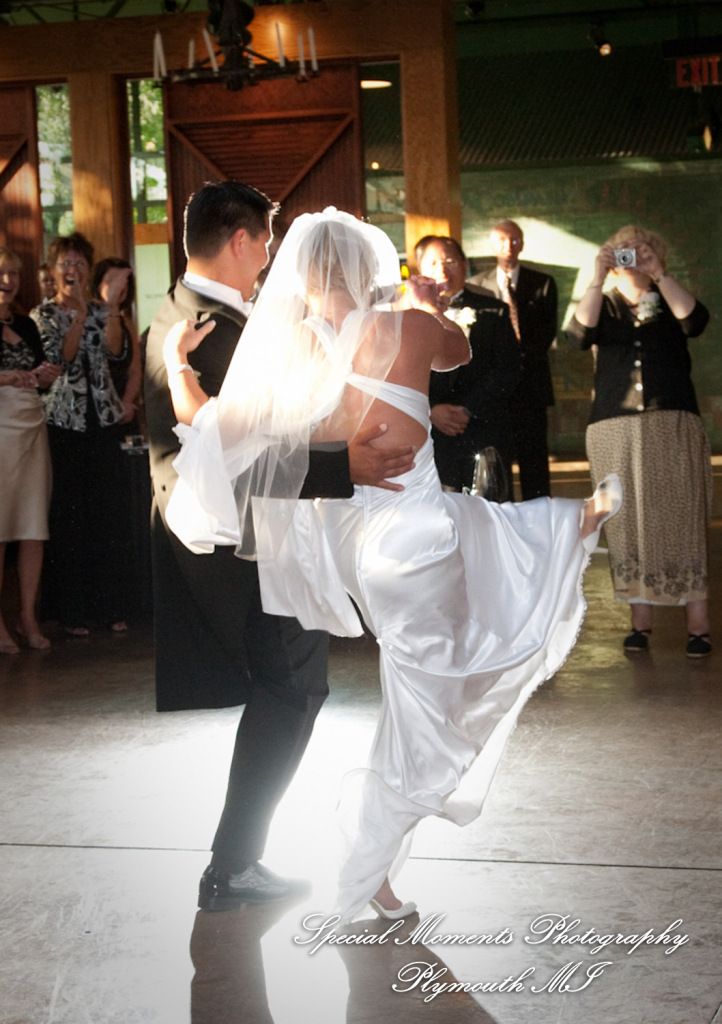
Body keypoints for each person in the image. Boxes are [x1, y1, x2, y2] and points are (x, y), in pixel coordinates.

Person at [162, 207, 620, 922]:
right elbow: (459, 354)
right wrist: (425, 309)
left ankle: (568, 526)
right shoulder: (407, 328)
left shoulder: (293, 352)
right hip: (415, 543)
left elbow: (207, 423)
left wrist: (175, 363)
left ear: (303, 276)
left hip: (358, 556)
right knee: (431, 700)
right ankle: (366, 862)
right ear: (369, 267)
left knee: (459, 583)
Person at [144, 182, 416, 912]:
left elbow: (224, 425)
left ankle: (240, 862)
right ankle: (234, 866)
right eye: (264, 241)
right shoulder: (243, 329)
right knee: (292, 689)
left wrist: (180, 371)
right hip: (259, 538)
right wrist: (345, 464)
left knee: (295, 689)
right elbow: (239, 440)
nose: (269, 258)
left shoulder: (236, 323)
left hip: (279, 529)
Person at [567, 225, 712, 658]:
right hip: (613, 423)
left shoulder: (668, 296)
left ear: (655, 251)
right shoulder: (603, 300)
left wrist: (659, 273)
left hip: (671, 419)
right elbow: (577, 336)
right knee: (625, 521)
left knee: (682, 515)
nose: (630, 254)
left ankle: (698, 626)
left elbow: (695, 322)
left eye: (639, 248)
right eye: (622, 249)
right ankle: (640, 624)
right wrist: (597, 278)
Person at [31, 232, 131, 636]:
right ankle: (72, 612)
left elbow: (117, 352)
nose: (73, 270)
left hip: (102, 419)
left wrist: (111, 308)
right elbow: (62, 356)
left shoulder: (101, 309)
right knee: (71, 517)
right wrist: (76, 316)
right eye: (65, 264)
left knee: (107, 515)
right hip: (63, 424)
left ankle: (110, 607)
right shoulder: (42, 314)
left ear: (89, 270)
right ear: (54, 271)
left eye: (79, 264)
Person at [415, 234, 520, 499]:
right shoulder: (408, 317)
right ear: (420, 270)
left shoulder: (494, 311)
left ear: (465, 265)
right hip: (430, 435)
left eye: (450, 261)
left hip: (483, 429)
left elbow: (507, 370)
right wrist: (431, 410)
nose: (442, 269)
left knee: (490, 508)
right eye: (433, 263)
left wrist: (468, 408)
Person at [0, 248, 61, 653]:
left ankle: (27, 616)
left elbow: (41, 374)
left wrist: (45, 375)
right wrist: (6, 377)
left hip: (31, 426)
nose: (8, 281)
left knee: (32, 525)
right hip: (0, 428)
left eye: (13, 274)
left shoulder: (25, 323)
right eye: (1, 273)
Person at [471, 219, 557, 500]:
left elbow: (546, 334)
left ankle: (540, 517)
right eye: (502, 240)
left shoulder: (542, 283)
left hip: (531, 385)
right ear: (492, 245)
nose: (509, 246)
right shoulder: (477, 285)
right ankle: (502, 518)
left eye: (515, 240)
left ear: (522, 244)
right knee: (497, 463)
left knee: (535, 462)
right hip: (493, 390)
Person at [92, 257, 143, 432]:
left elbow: (135, 370)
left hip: (124, 408)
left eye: (123, 282)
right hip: (96, 410)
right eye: (112, 281)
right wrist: (111, 305)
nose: (119, 286)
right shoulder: (86, 319)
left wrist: (125, 403)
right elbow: (112, 350)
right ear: (98, 285)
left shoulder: (127, 323)